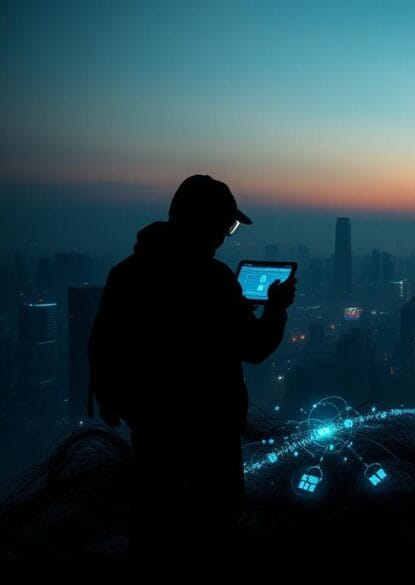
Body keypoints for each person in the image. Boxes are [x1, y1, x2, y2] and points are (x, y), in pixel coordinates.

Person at [87, 174, 296, 575]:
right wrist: (276, 308)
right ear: (206, 222)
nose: (225, 237)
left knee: (152, 527)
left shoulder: (126, 273)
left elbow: (103, 344)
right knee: (214, 532)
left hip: (150, 426)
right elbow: (254, 348)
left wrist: (111, 398)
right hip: (209, 431)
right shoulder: (212, 279)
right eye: (226, 225)